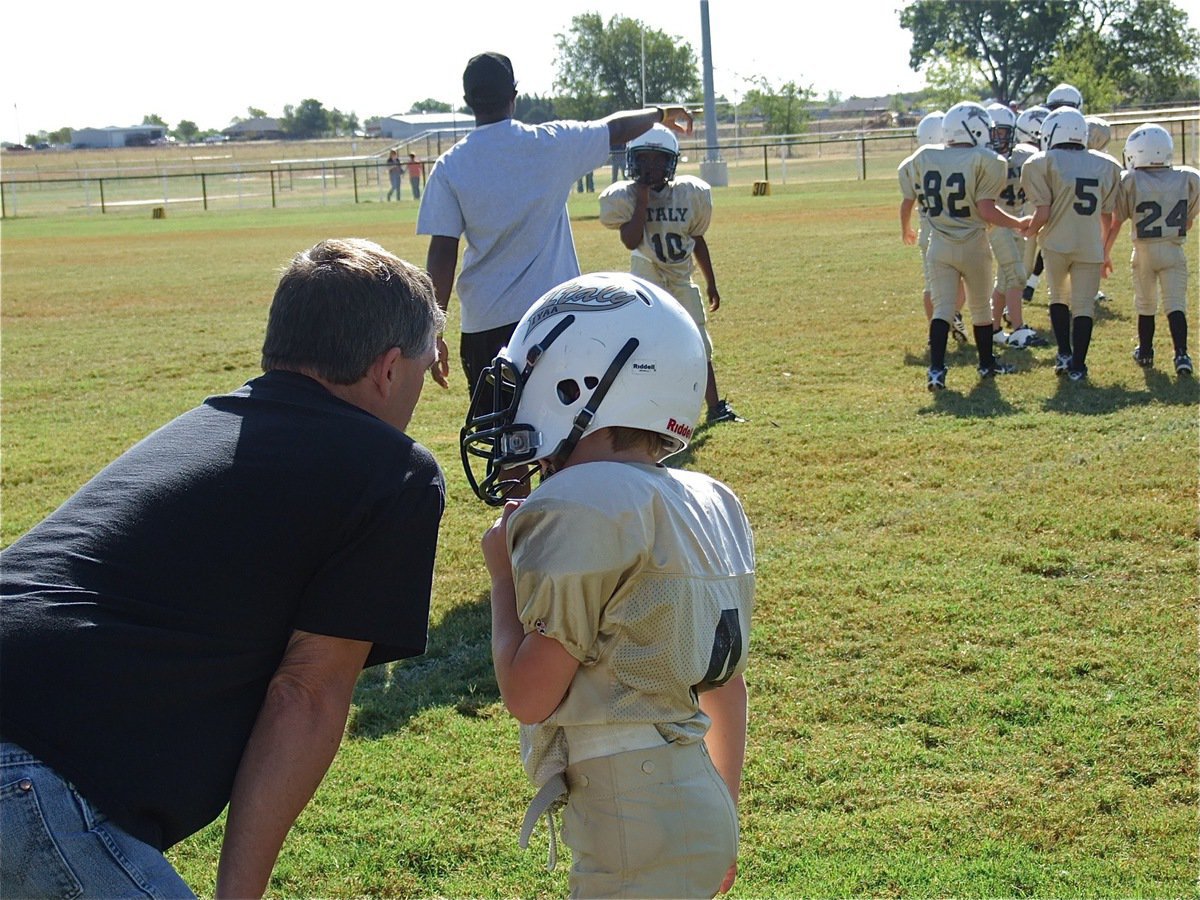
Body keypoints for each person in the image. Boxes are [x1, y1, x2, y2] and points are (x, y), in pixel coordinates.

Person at [0, 238, 447, 898]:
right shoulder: (392, 469)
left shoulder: (208, 422)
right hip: (35, 768)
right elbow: (306, 695)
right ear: (387, 370)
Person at [460, 271, 754, 898]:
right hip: (697, 798)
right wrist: (723, 809)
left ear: (584, 385)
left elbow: (528, 695)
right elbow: (725, 689)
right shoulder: (710, 499)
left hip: (632, 810)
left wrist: (503, 582)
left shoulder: (583, 499)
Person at [417, 50, 694, 400]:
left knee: (499, 436)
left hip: (486, 321)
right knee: (564, 430)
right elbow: (618, 128)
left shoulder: (450, 166)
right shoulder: (551, 143)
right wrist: (662, 113)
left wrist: (434, 329)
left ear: (467, 101)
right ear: (514, 97)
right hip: (558, 315)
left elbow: (442, 255)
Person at [598, 123, 743, 424]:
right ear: (632, 160)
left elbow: (697, 240)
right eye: (644, 159)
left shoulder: (689, 194)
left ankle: (716, 408)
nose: (650, 166)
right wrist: (642, 202)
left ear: (671, 161)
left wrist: (711, 282)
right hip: (646, 277)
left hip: (679, 278)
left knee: (699, 343)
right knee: (646, 347)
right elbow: (630, 240)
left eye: (658, 159)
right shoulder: (625, 197)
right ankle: (646, 410)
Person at [898, 101, 1031, 391]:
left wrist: (905, 226)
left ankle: (936, 371)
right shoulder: (987, 160)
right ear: (973, 128)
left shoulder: (924, 156)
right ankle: (986, 364)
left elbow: (911, 195)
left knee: (943, 308)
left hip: (939, 244)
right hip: (972, 243)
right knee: (980, 307)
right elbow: (986, 210)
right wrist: (1018, 223)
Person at [1020, 106, 1121, 382]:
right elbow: (1107, 215)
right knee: (1084, 305)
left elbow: (1043, 210)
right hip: (1089, 244)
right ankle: (1079, 364)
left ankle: (1064, 353)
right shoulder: (1107, 165)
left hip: (1055, 242)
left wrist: (1029, 230)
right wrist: (1104, 247)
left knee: (1058, 297)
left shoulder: (1041, 162)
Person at [1105, 122, 1199, 376]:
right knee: (1175, 304)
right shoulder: (1187, 177)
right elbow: (1188, 221)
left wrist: (1105, 252)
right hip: (1172, 249)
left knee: (1145, 304)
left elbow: (1116, 222)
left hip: (1144, 251)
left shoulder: (1130, 180)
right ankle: (1181, 355)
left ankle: (1145, 351)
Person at [985, 102, 1048, 348]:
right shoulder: (983, 160)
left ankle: (994, 329)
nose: (997, 138)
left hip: (1018, 219)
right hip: (995, 222)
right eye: (993, 133)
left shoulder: (1025, 155)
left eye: (1002, 132)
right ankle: (1019, 328)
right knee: (1017, 275)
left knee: (1005, 280)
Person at [905, 110, 969, 344]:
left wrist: (905, 228)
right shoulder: (954, 163)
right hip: (951, 229)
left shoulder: (914, 165)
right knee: (962, 279)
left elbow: (907, 200)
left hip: (926, 229)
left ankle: (936, 331)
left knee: (931, 284)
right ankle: (952, 315)